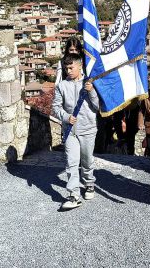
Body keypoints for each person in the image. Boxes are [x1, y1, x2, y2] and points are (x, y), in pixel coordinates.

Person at [52, 53, 100, 210]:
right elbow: (56, 107)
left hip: (88, 129)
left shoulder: (89, 83)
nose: (68, 70)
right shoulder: (61, 86)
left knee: (87, 160)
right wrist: (66, 117)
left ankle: (89, 183)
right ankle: (73, 195)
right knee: (71, 163)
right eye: (66, 68)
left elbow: (97, 106)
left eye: (71, 67)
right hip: (70, 131)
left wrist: (91, 91)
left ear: (80, 66)